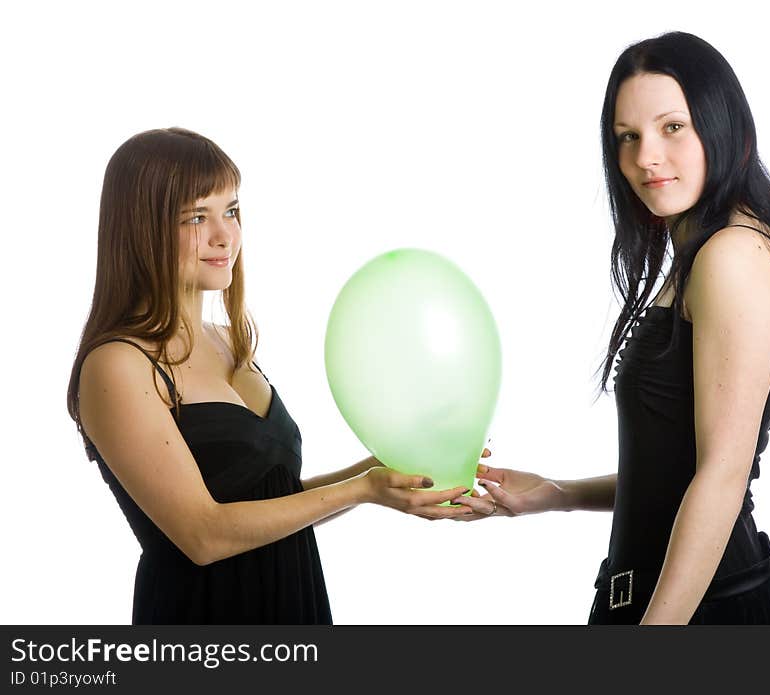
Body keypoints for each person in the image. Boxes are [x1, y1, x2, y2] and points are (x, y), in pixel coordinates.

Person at [451, 32, 770, 625]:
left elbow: (723, 476)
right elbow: (671, 470)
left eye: (672, 127)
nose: (646, 156)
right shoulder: (703, 252)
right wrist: (557, 494)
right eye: (628, 137)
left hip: (709, 610)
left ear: (721, 124)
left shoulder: (733, 256)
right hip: (661, 602)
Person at [66, 127, 473, 625]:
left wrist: (390, 465)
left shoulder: (227, 341)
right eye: (197, 216)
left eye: (231, 210)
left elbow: (273, 501)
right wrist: (363, 488)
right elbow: (204, 535)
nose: (225, 236)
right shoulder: (117, 364)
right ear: (141, 228)